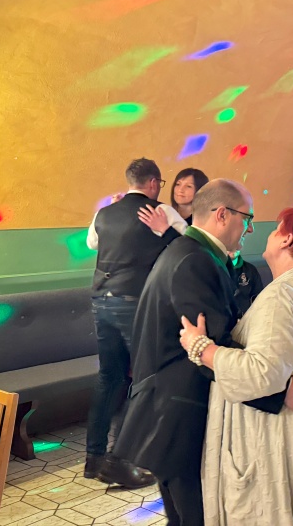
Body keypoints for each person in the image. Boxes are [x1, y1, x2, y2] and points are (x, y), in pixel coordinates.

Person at [112, 180, 293, 526]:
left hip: (171, 410)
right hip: (177, 416)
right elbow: (212, 349)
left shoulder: (192, 252)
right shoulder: (195, 260)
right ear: (222, 214)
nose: (251, 228)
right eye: (247, 218)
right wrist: (282, 393)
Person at [177, 207, 293, 525]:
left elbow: (261, 373)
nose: (270, 234)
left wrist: (202, 349)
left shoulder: (281, 297)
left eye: (276, 229)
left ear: (286, 239)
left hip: (288, 441)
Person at [84, 157, 187, 488]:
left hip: (101, 301)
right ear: (154, 183)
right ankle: (119, 460)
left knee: (109, 378)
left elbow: (92, 243)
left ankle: (94, 458)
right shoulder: (162, 212)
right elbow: (188, 247)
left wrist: (117, 212)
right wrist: (164, 230)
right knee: (145, 379)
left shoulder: (105, 212)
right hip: (134, 303)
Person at [230, 249, 265, 318]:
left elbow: (258, 298)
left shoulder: (250, 269)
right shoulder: (213, 269)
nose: (231, 248)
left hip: (246, 318)